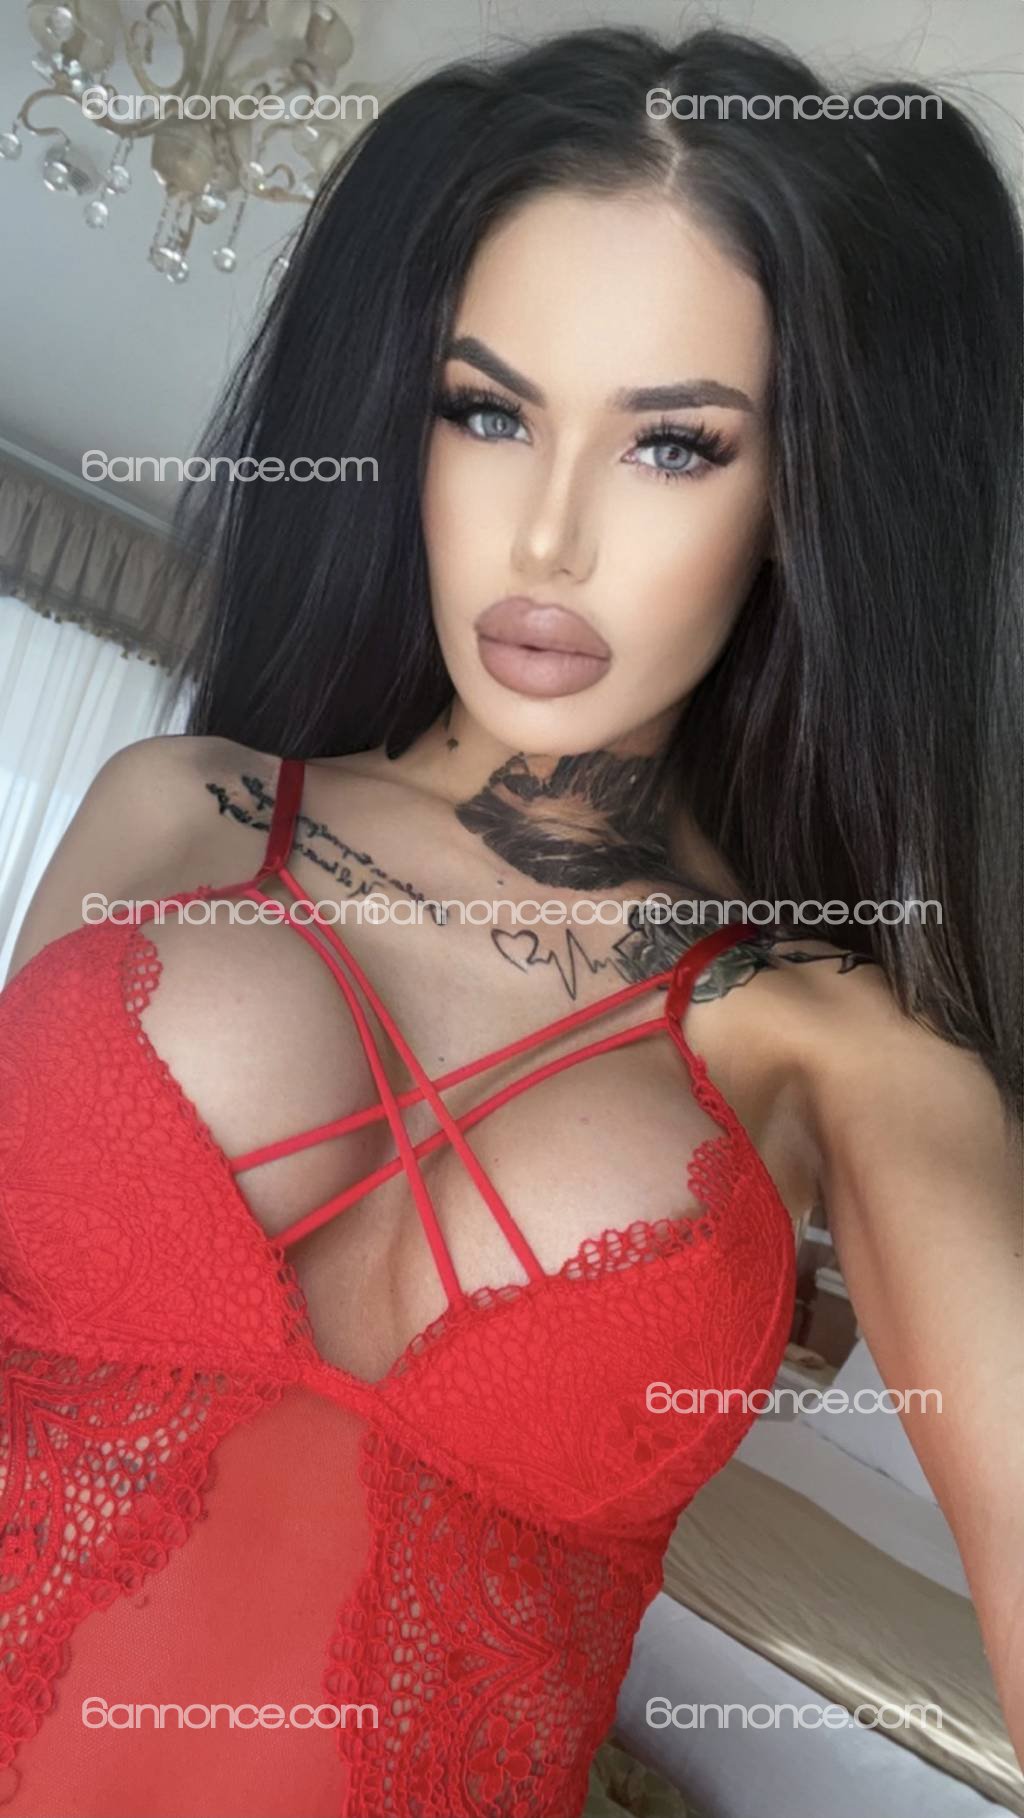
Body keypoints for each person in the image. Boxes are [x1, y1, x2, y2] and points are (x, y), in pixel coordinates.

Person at [0, 24, 1020, 1818]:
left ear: (802, 498)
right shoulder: (181, 807)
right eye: (487, 411)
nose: (547, 536)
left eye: (674, 446)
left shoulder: (848, 1056)